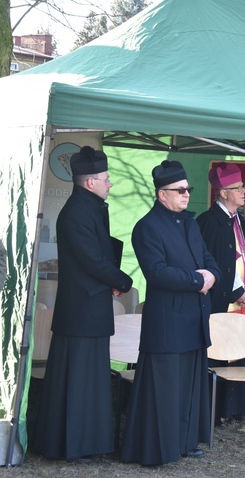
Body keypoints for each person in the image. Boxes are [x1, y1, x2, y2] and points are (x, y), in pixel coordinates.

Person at [32, 146, 133, 462]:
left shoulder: (89, 208)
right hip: (81, 312)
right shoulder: (77, 212)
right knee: (77, 381)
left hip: (88, 308)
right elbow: (93, 261)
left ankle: (84, 443)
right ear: (90, 182)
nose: (110, 183)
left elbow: (99, 257)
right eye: (106, 178)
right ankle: (72, 445)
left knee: (86, 379)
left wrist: (112, 281)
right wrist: (122, 281)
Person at [121, 160, 220, 466]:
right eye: (180, 190)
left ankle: (185, 442)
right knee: (165, 390)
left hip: (194, 319)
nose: (186, 194)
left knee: (189, 387)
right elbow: (157, 272)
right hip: (167, 322)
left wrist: (212, 276)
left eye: (187, 188)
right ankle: (158, 450)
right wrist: (197, 280)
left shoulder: (190, 224)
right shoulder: (147, 227)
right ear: (162, 194)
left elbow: (208, 259)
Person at [196, 162, 245, 424]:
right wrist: (235, 292)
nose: (244, 191)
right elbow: (211, 264)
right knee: (220, 353)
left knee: (241, 352)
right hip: (221, 302)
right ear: (222, 192)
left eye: (244, 187)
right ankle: (217, 409)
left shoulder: (241, 220)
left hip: (243, 299)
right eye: (238, 188)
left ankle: (236, 408)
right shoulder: (207, 223)